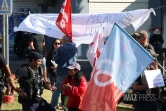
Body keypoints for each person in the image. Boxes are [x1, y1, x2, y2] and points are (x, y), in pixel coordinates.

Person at [50, 35, 78, 109]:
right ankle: (67, 107)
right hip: (72, 72)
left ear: (64, 40)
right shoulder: (75, 48)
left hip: (62, 71)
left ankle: (52, 107)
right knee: (68, 91)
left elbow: (56, 60)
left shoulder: (61, 48)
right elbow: (76, 59)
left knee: (57, 90)